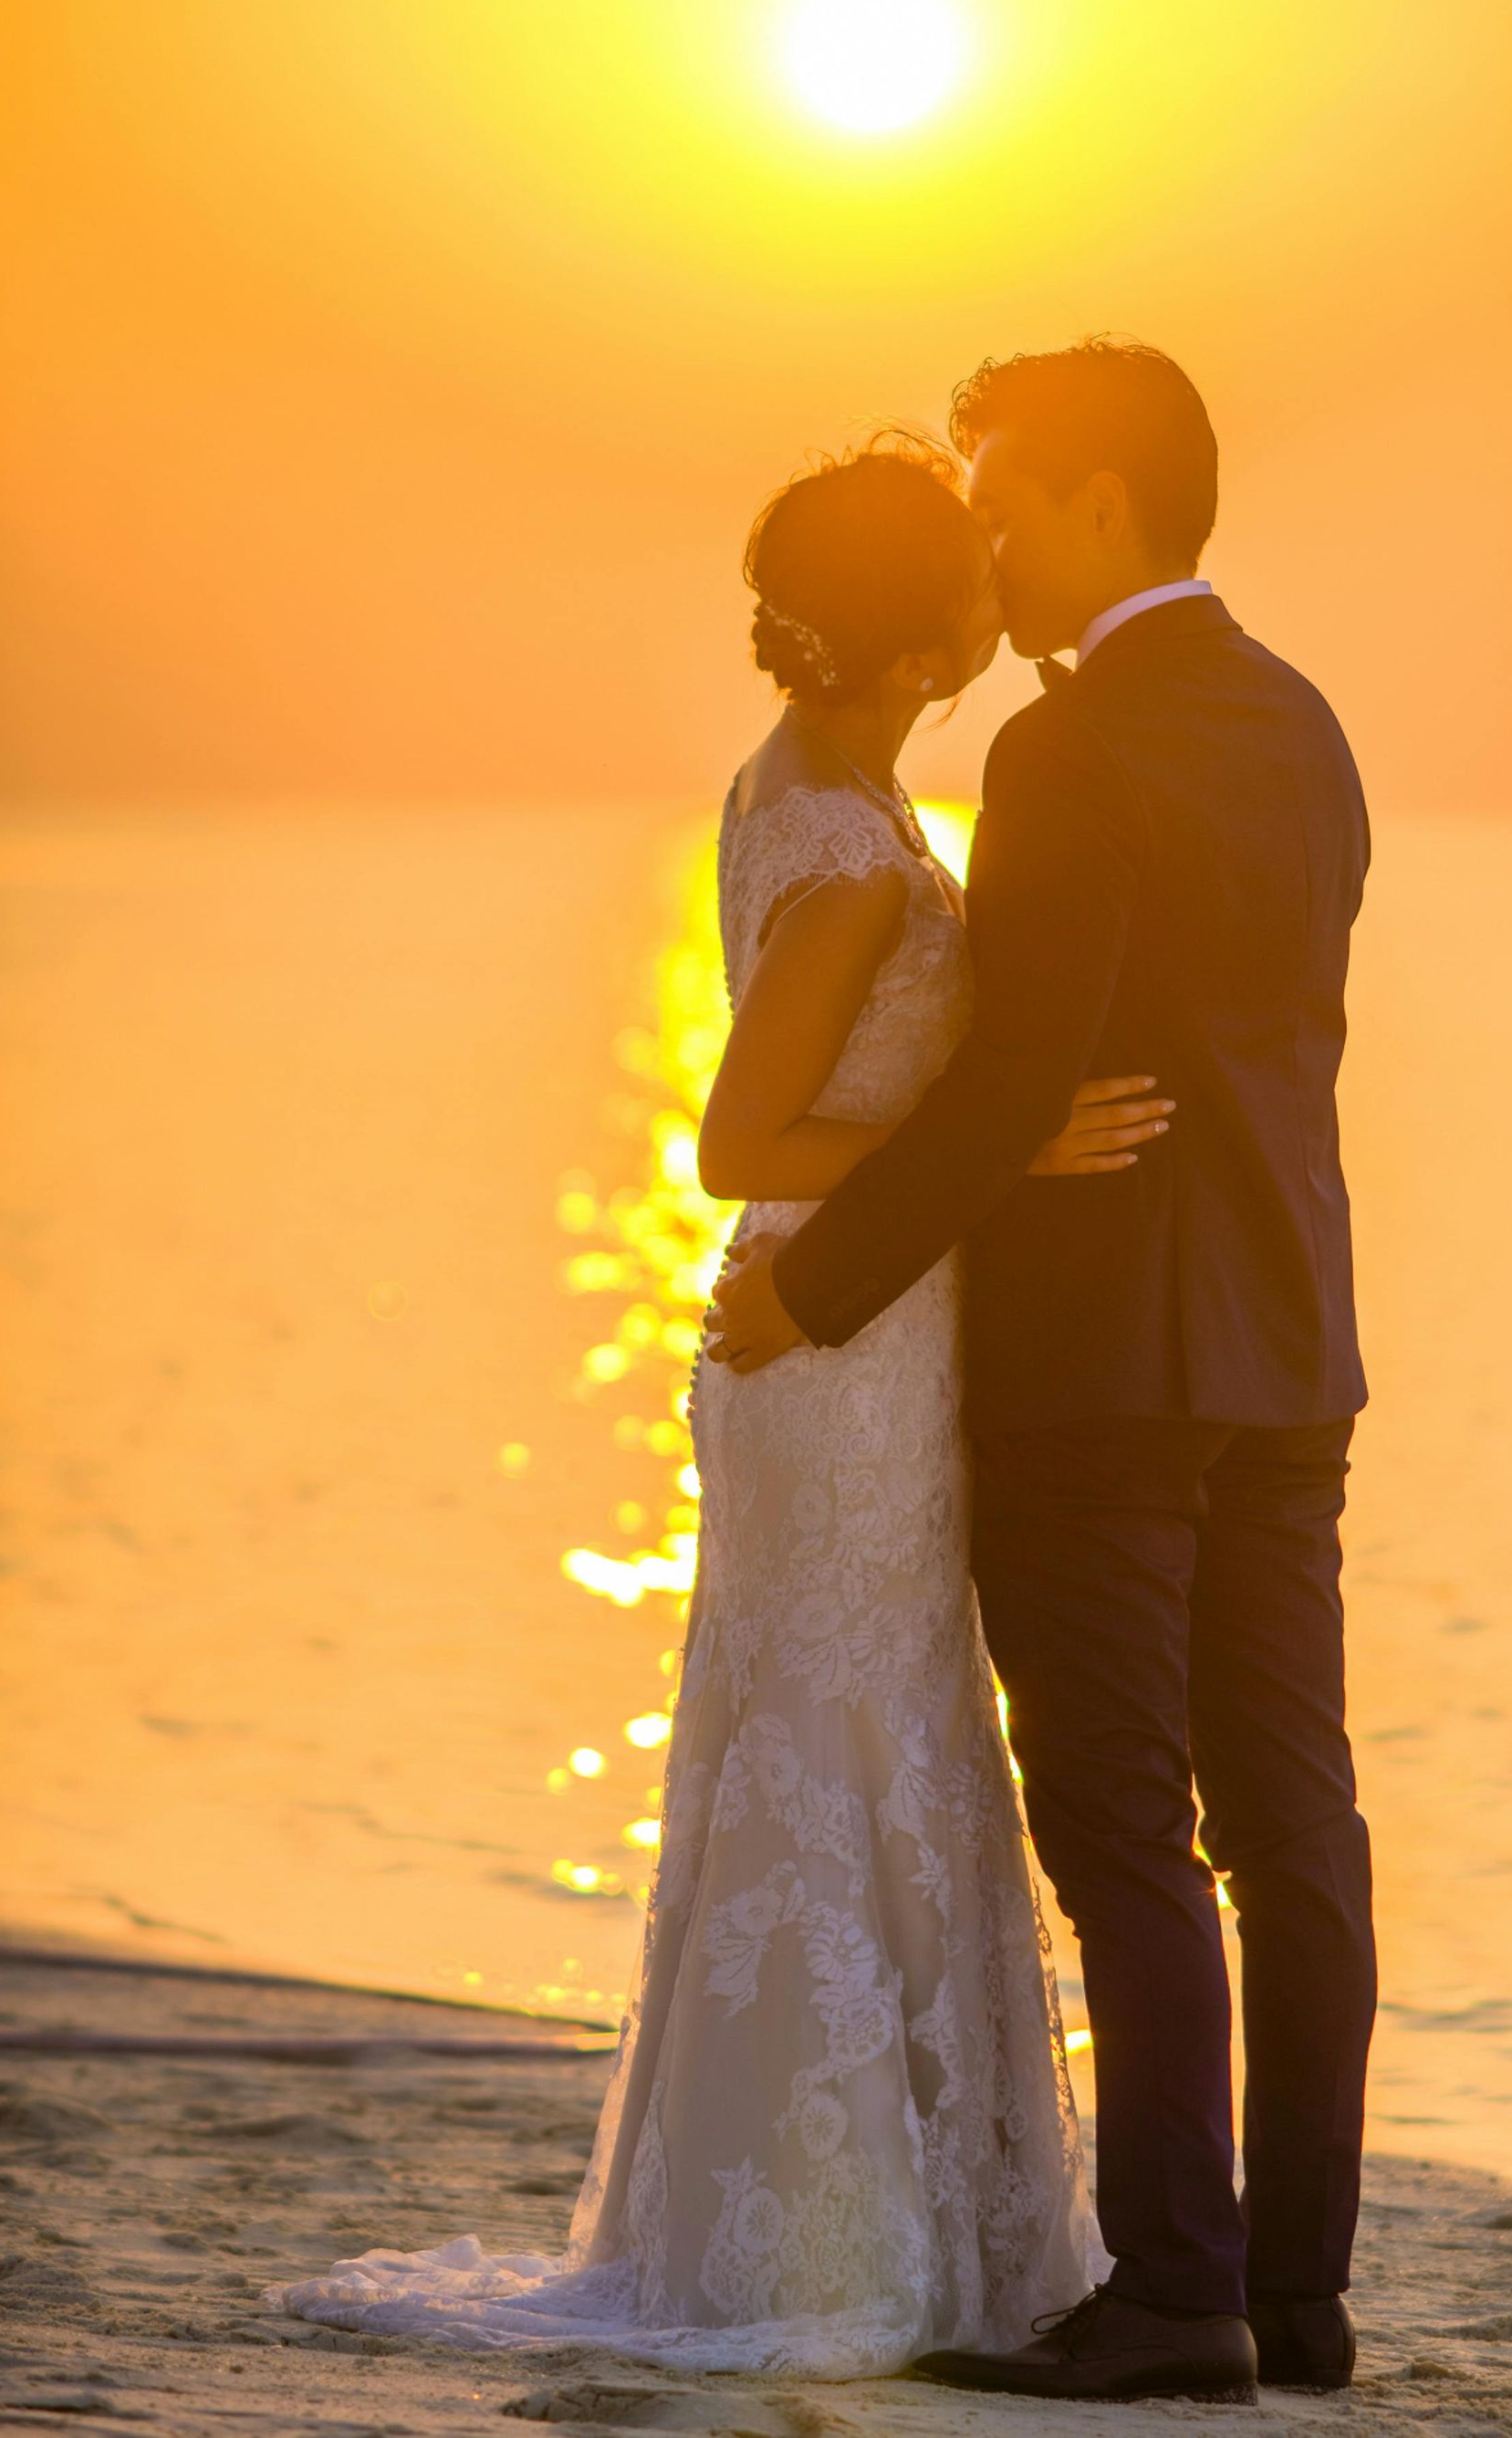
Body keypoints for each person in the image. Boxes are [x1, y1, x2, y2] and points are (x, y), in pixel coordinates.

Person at [266, 428, 1175, 2375]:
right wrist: (1002, 1145)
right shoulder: (848, 849)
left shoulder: (815, 785)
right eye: (972, 567)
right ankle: (829, 2229)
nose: (1001, 590)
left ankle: (874, 2203)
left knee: (864, 1737)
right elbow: (734, 1131)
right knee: (853, 1743)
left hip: (847, 1343)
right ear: (923, 624)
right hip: (835, 1357)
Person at [710, 338, 1377, 2402]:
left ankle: (1174, 2291)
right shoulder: (1305, 719)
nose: (984, 535)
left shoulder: (1067, 755)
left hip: (1106, 1369)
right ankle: (1298, 2288)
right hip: (1291, 1343)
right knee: (1296, 1818)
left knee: (1121, 1825)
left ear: (1101, 498)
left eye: (1003, 495)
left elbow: (1021, 1072)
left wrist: (814, 1300)